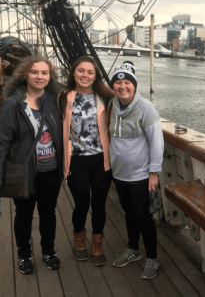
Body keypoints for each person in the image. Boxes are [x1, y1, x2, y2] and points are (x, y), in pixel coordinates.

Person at [0, 56, 63, 274]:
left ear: (50, 76)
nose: (39, 76)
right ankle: (24, 255)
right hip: (25, 172)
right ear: (25, 74)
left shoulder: (54, 101)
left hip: (51, 172)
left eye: (44, 73)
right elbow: (3, 142)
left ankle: (48, 251)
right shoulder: (13, 105)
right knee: (24, 216)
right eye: (35, 72)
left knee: (48, 213)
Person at [108, 61, 164, 280]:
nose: (122, 86)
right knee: (129, 215)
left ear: (134, 85)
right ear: (113, 86)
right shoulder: (112, 105)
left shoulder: (147, 109)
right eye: (118, 82)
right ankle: (134, 250)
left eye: (127, 82)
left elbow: (157, 143)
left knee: (143, 217)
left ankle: (152, 257)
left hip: (140, 175)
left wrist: (153, 173)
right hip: (119, 174)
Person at [58, 55, 114, 266]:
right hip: (76, 161)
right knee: (81, 203)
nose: (85, 75)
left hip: (101, 161)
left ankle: (97, 244)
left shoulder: (104, 97)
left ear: (95, 75)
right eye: (81, 71)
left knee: (99, 204)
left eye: (90, 72)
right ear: (73, 73)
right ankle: (79, 241)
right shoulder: (64, 97)